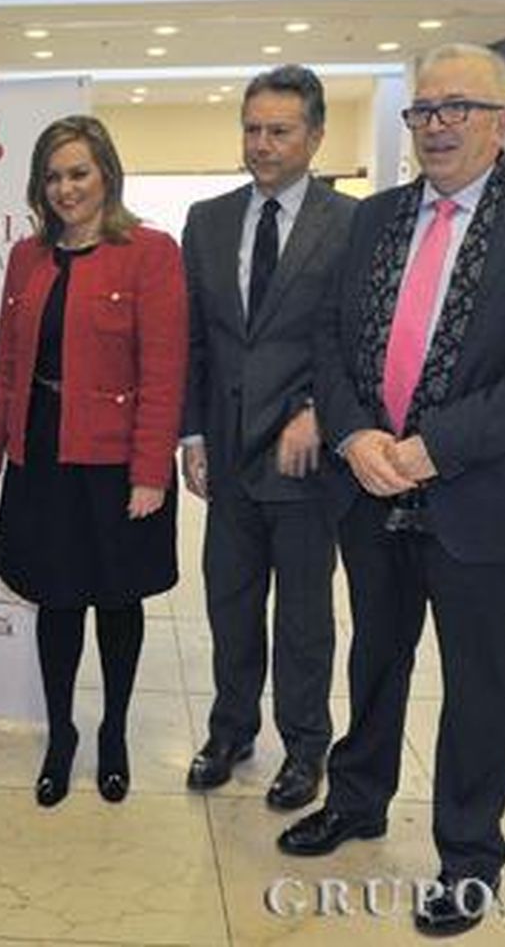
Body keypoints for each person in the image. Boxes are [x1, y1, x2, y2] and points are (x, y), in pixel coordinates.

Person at [276, 44, 505, 937]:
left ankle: (469, 856)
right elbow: (331, 341)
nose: (437, 124)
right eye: (424, 110)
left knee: (478, 678)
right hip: (370, 487)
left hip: (481, 497)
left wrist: (430, 450)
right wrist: (353, 434)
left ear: (502, 122)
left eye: (459, 107)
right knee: (376, 655)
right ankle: (358, 798)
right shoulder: (374, 219)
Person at [0, 115, 187, 807]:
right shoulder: (26, 258)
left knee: (118, 601)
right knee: (56, 599)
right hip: (42, 455)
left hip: (117, 461)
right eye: (53, 176)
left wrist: (151, 470)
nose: (65, 188)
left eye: (78, 173)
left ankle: (114, 733)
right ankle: (61, 734)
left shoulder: (151, 252)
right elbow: (5, 366)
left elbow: (163, 372)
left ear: (107, 176)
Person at [179, 65, 355, 807]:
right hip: (226, 451)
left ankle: (306, 747)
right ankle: (231, 729)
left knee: (305, 616)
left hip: (304, 456)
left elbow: (358, 340)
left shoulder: (351, 223)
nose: (262, 144)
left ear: (315, 136)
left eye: (279, 131)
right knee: (230, 602)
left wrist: (321, 409)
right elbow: (194, 340)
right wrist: (191, 433)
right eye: (252, 129)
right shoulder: (208, 219)